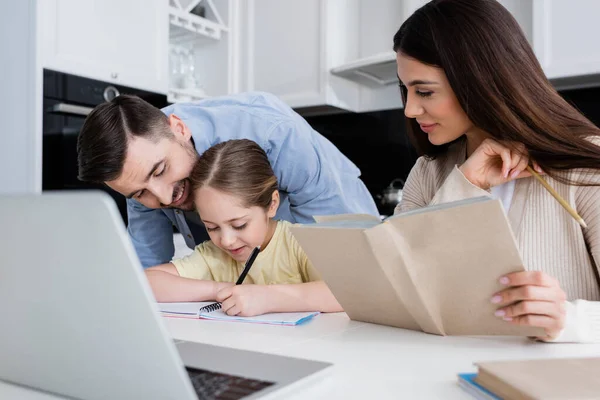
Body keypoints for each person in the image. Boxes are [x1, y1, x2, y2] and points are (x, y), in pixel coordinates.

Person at [393, 0, 600, 342]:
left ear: (478, 79)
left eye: (425, 91)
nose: (411, 109)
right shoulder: (429, 171)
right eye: (406, 90)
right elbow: (396, 287)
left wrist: (569, 319)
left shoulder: (586, 164)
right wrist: (465, 185)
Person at [77, 92, 379, 268]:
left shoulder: (274, 135)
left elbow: (336, 256)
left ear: (179, 129)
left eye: (160, 171)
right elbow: (149, 267)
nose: (164, 199)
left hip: (344, 227)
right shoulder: (138, 169)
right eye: (140, 193)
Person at [144, 139, 342, 317]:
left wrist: (269, 298)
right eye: (212, 227)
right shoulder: (213, 255)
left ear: (272, 204)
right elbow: (147, 281)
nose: (227, 240)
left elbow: (345, 293)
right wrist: (219, 289)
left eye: (239, 225)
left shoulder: (299, 243)